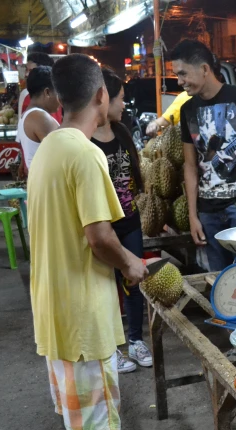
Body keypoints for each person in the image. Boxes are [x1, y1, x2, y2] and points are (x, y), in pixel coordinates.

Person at [27, 54, 161, 430]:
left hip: (53, 301)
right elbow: (101, 238)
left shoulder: (51, 147)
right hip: (79, 308)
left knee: (79, 407)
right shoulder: (86, 154)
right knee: (85, 410)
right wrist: (133, 266)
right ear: (101, 96)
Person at [170, 40, 236, 271]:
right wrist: (193, 216)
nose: (180, 81)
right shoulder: (188, 110)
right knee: (219, 281)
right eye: (177, 75)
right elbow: (190, 166)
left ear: (205, 69)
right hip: (208, 214)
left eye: (183, 73)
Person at [91, 67, 153, 374]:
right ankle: (110, 347)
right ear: (104, 98)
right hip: (102, 225)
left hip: (129, 220)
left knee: (133, 282)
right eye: (120, 99)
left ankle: (135, 340)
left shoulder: (123, 131)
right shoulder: (85, 140)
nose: (124, 105)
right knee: (103, 286)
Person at [16, 66, 60, 173]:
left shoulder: (28, 114)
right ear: (47, 93)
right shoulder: (40, 117)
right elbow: (63, 155)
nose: (60, 98)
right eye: (58, 92)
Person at [18, 52, 63, 124]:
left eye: (31, 71)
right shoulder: (29, 94)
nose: (26, 74)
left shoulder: (52, 93)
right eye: (26, 70)